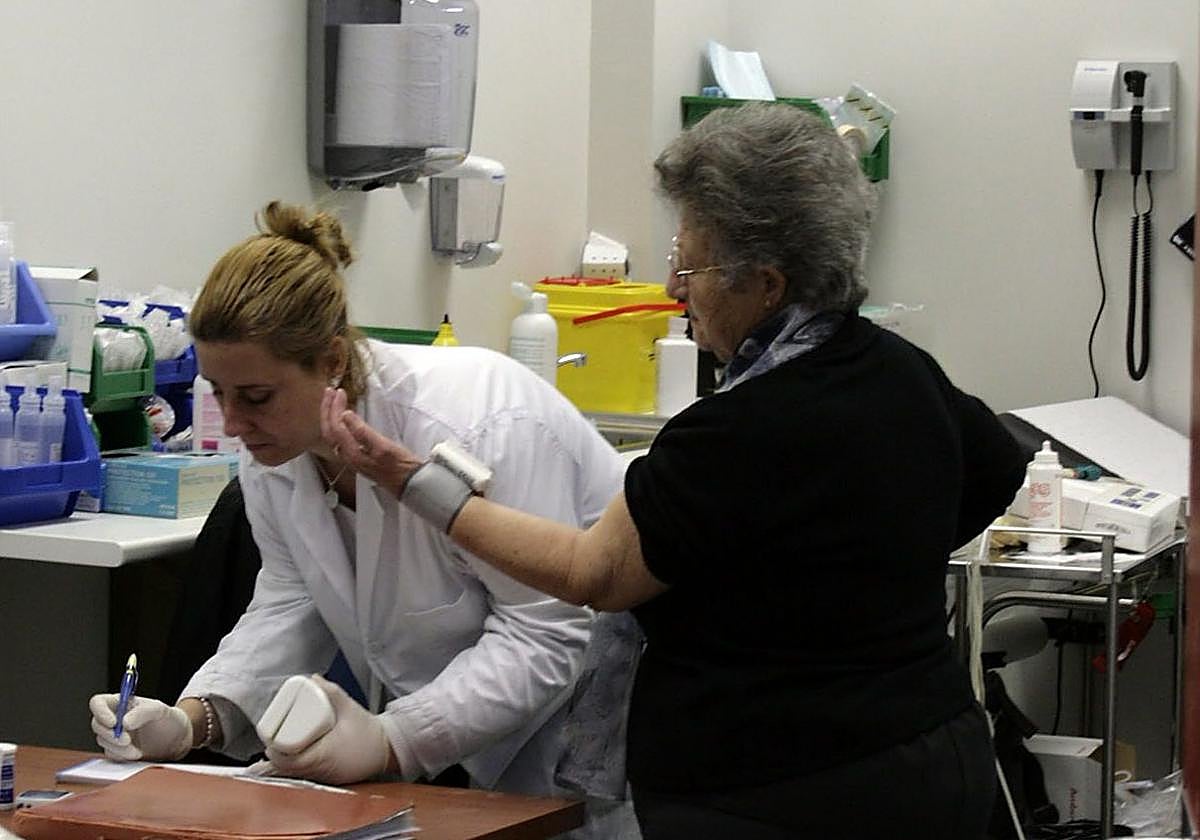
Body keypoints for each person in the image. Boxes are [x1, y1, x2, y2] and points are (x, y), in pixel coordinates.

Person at [319, 103, 1027, 840]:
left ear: (768, 284)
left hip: (774, 794)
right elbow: (995, 468)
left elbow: (592, 574)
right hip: (935, 762)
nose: (673, 291)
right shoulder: (902, 371)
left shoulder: (733, 435)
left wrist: (412, 482)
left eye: (690, 265)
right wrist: (865, 571)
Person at [87, 201, 639, 835]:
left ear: (329, 362)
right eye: (218, 394)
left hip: (587, 737)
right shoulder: (281, 454)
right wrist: (196, 718)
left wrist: (392, 739)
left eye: (256, 396)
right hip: (462, 764)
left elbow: (547, 633)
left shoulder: (479, 421)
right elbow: (292, 602)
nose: (233, 424)